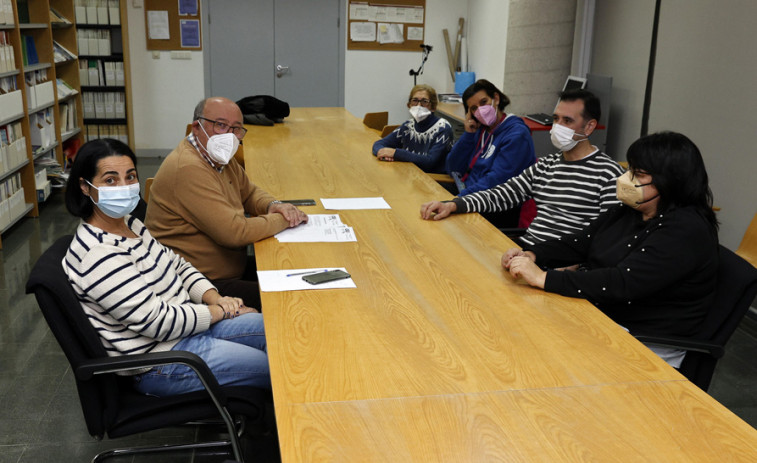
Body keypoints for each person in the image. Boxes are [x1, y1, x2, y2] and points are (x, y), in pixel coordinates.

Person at [62, 139, 270, 396]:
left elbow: (178, 266)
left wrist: (218, 298)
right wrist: (219, 311)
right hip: (163, 361)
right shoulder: (97, 255)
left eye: (130, 177)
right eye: (110, 180)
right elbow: (158, 322)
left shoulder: (129, 224)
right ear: (84, 186)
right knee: (275, 366)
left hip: (190, 328)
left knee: (278, 332)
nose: (124, 187)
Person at [503, 131, 719, 367]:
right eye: (630, 170)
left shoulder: (685, 230)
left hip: (643, 344)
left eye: (638, 174)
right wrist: (533, 254)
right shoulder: (634, 209)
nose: (627, 179)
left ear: (669, 181)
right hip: (604, 317)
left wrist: (544, 278)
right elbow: (584, 241)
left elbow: (623, 282)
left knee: (533, 356)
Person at [145, 97, 308, 310]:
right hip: (201, 285)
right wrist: (284, 219)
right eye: (220, 125)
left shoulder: (217, 156)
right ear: (197, 127)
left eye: (236, 129)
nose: (229, 136)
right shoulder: (188, 168)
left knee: (299, 272)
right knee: (294, 296)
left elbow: (248, 193)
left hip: (228, 269)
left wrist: (274, 205)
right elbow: (234, 232)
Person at [421, 89, 625, 246]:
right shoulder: (546, 165)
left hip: (562, 264)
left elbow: (608, 239)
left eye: (567, 121)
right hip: (528, 251)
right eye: (556, 119)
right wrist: (454, 205)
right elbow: (501, 194)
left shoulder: (608, 175)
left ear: (589, 127)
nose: (557, 127)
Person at [445, 79, 536, 227]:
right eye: (474, 108)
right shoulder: (480, 129)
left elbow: (496, 180)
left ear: (496, 98)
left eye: (484, 102)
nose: (480, 110)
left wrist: (459, 201)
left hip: (497, 206)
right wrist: (468, 135)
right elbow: (452, 168)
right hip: (470, 194)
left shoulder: (516, 134)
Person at [372, 84, 453, 173]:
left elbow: (430, 162)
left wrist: (396, 153)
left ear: (433, 107)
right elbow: (379, 144)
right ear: (409, 105)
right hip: (411, 175)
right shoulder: (408, 126)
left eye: (424, 101)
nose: (418, 105)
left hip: (434, 179)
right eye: (415, 101)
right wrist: (383, 153)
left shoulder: (443, 128)